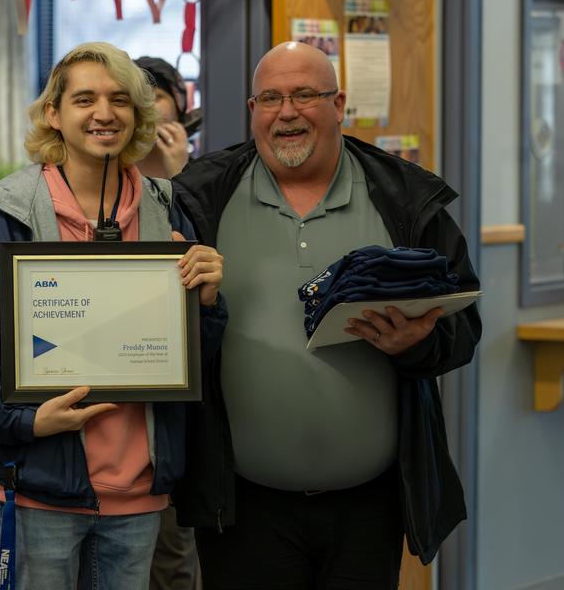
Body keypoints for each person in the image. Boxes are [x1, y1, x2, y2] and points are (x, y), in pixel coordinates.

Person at [170, 41, 482, 589]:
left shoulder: (404, 199)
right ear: (252, 110)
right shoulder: (198, 199)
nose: (286, 112)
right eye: (270, 97)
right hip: (241, 509)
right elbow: (169, 340)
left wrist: (415, 344)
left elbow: (463, 329)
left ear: (338, 105)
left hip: (368, 508)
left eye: (304, 95)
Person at [0, 41, 226, 590]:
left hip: (140, 496)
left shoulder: (169, 210)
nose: (104, 113)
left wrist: (205, 307)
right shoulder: (4, 214)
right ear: (53, 115)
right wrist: (26, 421)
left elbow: (195, 361)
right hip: (42, 492)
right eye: (84, 99)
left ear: (139, 115)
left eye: (119, 100)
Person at [134, 56, 203, 590]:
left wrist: (176, 178)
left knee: (173, 562)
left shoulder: (197, 187)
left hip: (175, 427)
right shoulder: (99, 188)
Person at [134, 56, 197, 179]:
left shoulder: (205, 173)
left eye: (157, 97)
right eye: (138, 99)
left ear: (178, 106)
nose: (147, 106)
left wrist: (180, 173)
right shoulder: (107, 169)